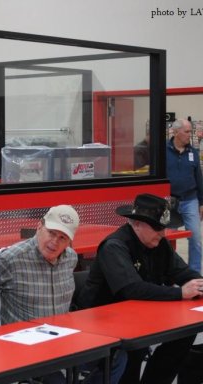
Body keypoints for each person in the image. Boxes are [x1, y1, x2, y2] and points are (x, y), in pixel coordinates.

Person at [0, 205, 126, 384]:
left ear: (70, 241)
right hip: (24, 351)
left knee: (117, 355)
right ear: (39, 227)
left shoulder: (70, 259)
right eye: (51, 233)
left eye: (62, 237)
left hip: (62, 342)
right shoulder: (8, 259)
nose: (54, 242)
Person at [76, 193, 203, 384]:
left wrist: (199, 285)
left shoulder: (159, 244)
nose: (162, 234)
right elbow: (132, 289)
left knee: (184, 333)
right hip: (103, 321)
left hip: (141, 315)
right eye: (157, 228)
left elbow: (183, 272)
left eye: (164, 228)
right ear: (137, 224)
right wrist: (180, 293)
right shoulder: (115, 246)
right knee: (135, 347)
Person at [166, 118, 203, 273]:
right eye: (187, 131)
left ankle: (194, 273)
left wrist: (202, 203)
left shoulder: (192, 152)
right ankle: (169, 272)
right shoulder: (163, 151)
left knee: (195, 239)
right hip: (169, 202)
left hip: (190, 200)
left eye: (191, 131)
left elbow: (199, 178)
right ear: (175, 132)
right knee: (166, 240)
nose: (190, 135)